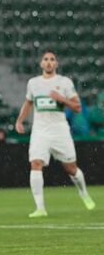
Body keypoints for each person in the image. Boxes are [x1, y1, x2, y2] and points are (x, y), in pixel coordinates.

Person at [15, 50, 96, 218]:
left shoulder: (64, 82)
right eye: (46, 59)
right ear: (41, 64)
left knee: (71, 168)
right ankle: (40, 208)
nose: (49, 62)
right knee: (35, 163)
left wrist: (62, 99)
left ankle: (83, 193)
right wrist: (19, 121)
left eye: (52, 59)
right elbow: (28, 103)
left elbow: (78, 107)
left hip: (60, 130)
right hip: (40, 131)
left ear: (56, 64)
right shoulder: (33, 83)